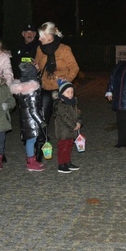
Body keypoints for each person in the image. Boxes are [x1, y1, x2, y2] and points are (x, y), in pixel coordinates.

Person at [34, 21, 80, 160]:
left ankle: (64, 151)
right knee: (42, 119)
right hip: (46, 89)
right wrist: (35, 67)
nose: (39, 39)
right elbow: (38, 67)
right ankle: (40, 148)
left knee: (65, 119)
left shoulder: (64, 49)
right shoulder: (39, 49)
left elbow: (74, 68)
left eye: (42, 36)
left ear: (50, 36)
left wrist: (66, 82)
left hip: (61, 90)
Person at [10, 61, 48, 172]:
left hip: (25, 120)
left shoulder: (21, 90)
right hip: (31, 121)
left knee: (30, 140)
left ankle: (32, 159)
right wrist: (41, 121)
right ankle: (31, 162)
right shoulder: (32, 91)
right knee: (31, 141)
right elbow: (33, 109)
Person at [53, 79, 83, 173]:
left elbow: (78, 113)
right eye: (67, 92)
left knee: (69, 147)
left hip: (71, 131)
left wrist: (79, 122)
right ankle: (61, 164)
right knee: (63, 147)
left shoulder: (73, 102)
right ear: (62, 93)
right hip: (63, 131)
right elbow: (64, 117)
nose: (70, 94)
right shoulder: (60, 105)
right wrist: (73, 125)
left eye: (72, 92)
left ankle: (67, 162)